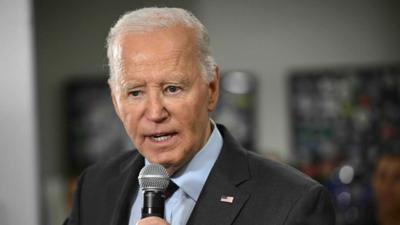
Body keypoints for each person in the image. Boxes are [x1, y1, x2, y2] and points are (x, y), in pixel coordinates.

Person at [64, 7, 335, 225]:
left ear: (212, 89)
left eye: (172, 88)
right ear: (115, 99)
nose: (156, 112)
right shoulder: (94, 188)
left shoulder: (293, 202)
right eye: (135, 93)